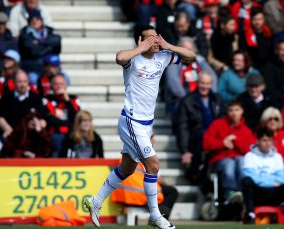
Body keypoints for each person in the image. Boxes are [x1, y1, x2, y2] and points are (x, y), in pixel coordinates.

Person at [83, 25, 195, 229]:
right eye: (149, 38)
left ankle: (95, 201)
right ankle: (154, 215)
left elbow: (190, 57)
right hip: (131, 120)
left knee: (127, 168)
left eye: (156, 36)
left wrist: (167, 45)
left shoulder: (163, 57)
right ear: (140, 41)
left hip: (146, 124)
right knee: (152, 165)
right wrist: (141, 48)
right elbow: (119, 57)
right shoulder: (133, 59)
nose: (154, 40)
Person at [241, 127, 284, 224]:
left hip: (276, 193)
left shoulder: (277, 156)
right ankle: (251, 216)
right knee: (246, 181)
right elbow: (251, 178)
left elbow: (282, 178)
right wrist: (271, 181)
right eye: (264, 140)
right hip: (258, 193)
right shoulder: (249, 156)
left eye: (269, 140)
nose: (267, 143)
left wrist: (264, 180)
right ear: (257, 141)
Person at [202, 100, 255, 205]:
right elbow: (206, 144)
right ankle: (230, 193)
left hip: (239, 159)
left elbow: (250, 150)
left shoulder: (246, 130)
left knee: (241, 162)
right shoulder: (217, 124)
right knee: (229, 164)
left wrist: (235, 141)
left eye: (236, 110)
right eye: (231, 110)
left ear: (242, 111)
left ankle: (242, 193)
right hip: (220, 160)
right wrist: (223, 143)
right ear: (227, 112)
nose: (234, 113)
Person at [176, 72, 223, 184]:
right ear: (197, 83)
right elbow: (183, 127)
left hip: (215, 138)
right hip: (196, 140)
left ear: (211, 85)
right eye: (202, 83)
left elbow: (223, 120)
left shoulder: (217, 99)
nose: (204, 86)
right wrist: (185, 150)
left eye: (207, 84)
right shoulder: (187, 101)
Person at [164, 37, 218, 116]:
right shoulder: (174, 62)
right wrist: (187, 100)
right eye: (184, 49)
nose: (187, 52)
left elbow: (212, 76)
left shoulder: (200, 60)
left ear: (194, 50)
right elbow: (173, 81)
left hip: (201, 96)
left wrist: (210, 94)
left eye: (190, 49)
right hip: (181, 99)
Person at [0, 69, 46, 138]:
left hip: (32, 135)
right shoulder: (6, 97)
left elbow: (43, 118)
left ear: (28, 82)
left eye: (25, 81)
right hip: (12, 134)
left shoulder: (35, 97)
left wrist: (38, 126)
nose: (22, 85)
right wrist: (7, 129)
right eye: (19, 82)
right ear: (14, 82)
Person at [18, 9, 61, 83]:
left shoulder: (49, 31)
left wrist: (39, 42)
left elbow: (57, 41)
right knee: (33, 79)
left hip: (51, 66)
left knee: (64, 78)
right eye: (32, 19)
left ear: (42, 21)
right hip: (34, 68)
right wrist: (48, 46)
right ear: (29, 22)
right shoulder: (24, 34)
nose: (35, 21)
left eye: (37, 19)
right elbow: (32, 50)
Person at [43, 74, 80, 157]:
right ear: (51, 86)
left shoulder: (74, 99)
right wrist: (70, 123)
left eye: (61, 84)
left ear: (66, 85)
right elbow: (51, 120)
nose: (59, 86)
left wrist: (67, 100)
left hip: (71, 133)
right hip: (55, 133)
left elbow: (76, 117)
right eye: (56, 84)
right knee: (57, 138)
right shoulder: (47, 99)